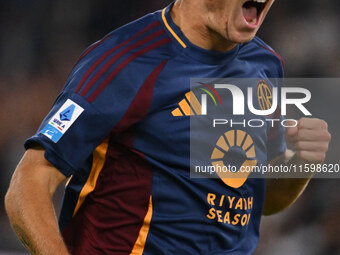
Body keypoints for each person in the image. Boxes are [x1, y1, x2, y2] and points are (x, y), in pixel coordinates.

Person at [5, 0, 331, 254]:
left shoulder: (266, 65)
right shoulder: (126, 60)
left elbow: (257, 200)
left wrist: (299, 163)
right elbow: (28, 184)